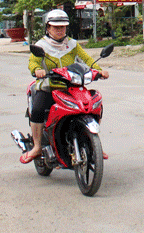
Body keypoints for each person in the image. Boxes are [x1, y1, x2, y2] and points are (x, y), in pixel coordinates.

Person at [20, 9, 109, 164]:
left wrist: (99, 71)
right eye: (56, 27)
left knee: (94, 105)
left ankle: (94, 143)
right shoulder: (41, 46)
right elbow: (33, 62)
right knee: (38, 109)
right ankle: (37, 146)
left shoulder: (73, 44)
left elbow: (86, 59)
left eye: (63, 27)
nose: (60, 30)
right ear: (47, 28)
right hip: (49, 86)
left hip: (71, 86)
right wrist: (37, 70)